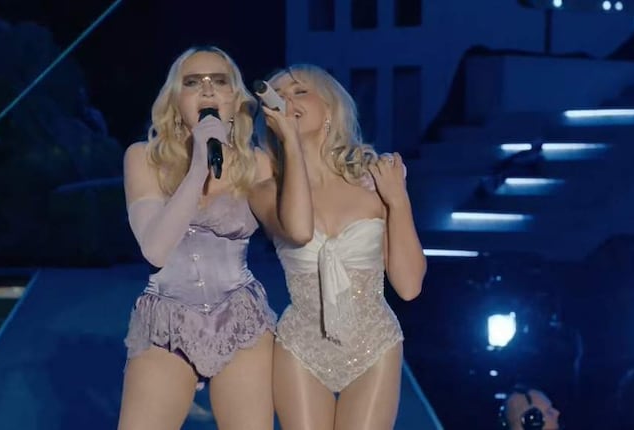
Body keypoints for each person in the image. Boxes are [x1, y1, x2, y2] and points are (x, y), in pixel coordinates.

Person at [249, 64, 427, 430]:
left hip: (374, 344)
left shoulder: (375, 182)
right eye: (278, 96)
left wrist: (398, 200)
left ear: (330, 108)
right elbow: (299, 231)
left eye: (299, 91)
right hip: (301, 346)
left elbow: (409, 287)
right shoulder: (266, 191)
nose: (286, 100)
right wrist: (291, 144)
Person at [117, 46, 278, 430]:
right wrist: (198, 166)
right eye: (193, 82)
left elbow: (297, 232)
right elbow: (155, 250)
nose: (207, 90)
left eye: (219, 81)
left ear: (235, 100)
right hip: (166, 322)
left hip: (241, 319)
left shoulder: (257, 164)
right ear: (176, 101)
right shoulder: (143, 158)